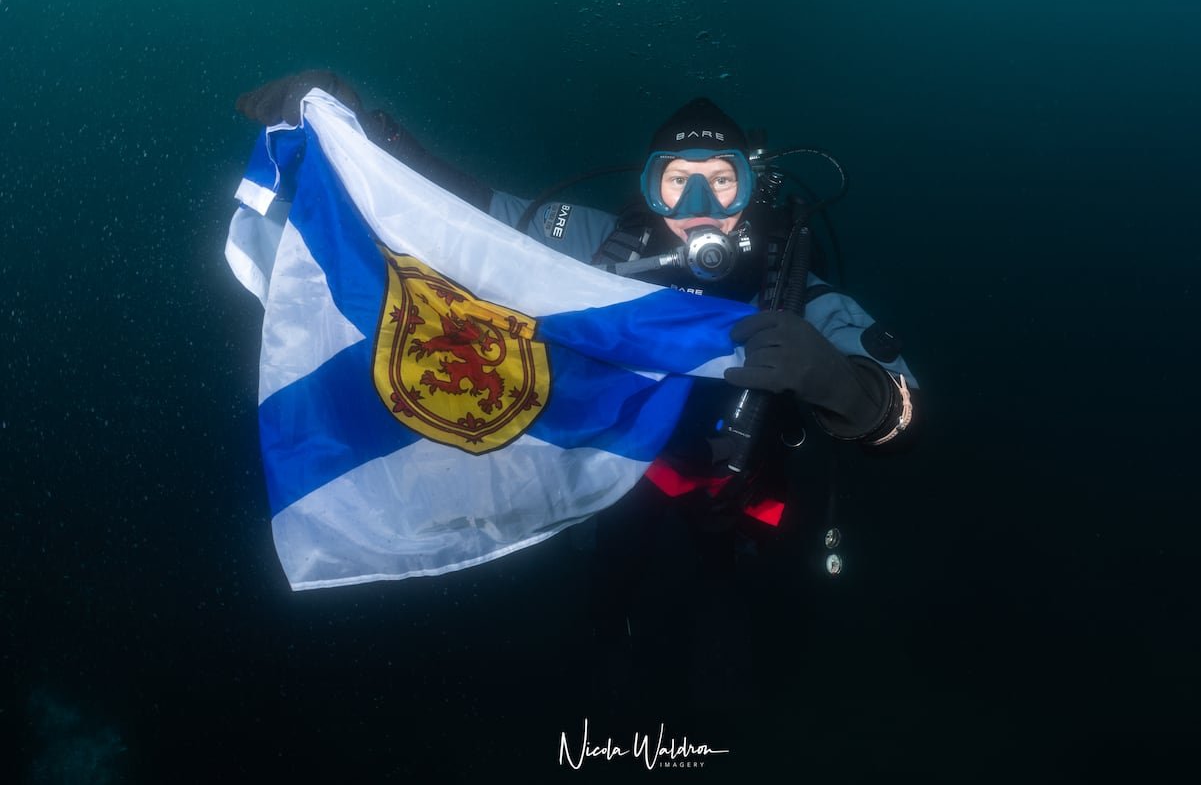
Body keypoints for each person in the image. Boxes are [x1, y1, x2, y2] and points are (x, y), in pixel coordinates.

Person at [237, 71, 920, 712]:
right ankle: (608, 675)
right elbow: (475, 215)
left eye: (721, 182)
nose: (700, 207)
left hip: (735, 485)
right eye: (679, 183)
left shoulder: (791, 283)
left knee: (724, 599)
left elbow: (899, 405)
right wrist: (366, 128)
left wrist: (835, 381)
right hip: (627, 471)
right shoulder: (606, 246)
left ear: (753, 190)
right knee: (611, 585)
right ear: (650, 191)